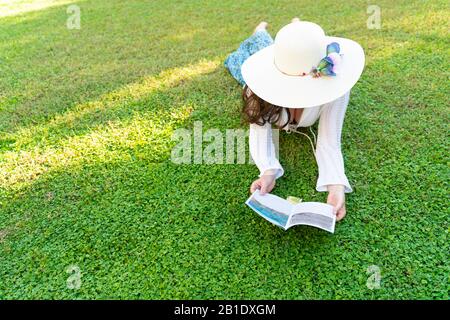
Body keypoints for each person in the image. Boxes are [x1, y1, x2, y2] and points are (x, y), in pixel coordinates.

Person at [224, 18, 365, 221]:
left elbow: (329, 139)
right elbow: (259, 131)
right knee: (238, 61)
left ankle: (295, 26)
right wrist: (268, 171)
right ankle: (261, 31)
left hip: (294, 55)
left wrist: (336, 187)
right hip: (276, 56)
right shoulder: (255, 90)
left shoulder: (336, 86)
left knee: (286, 48)